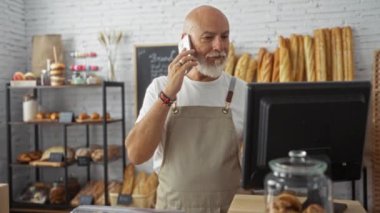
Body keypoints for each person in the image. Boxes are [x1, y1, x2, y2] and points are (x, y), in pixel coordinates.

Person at [125, 5, 247, 213]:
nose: (219, 46)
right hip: (172, 209)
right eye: (208, 38)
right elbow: (136, 154)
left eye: (224, 36)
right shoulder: (159, 88)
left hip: (230, 209)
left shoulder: (242, 91)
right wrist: (169, 95)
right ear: (185, 42)